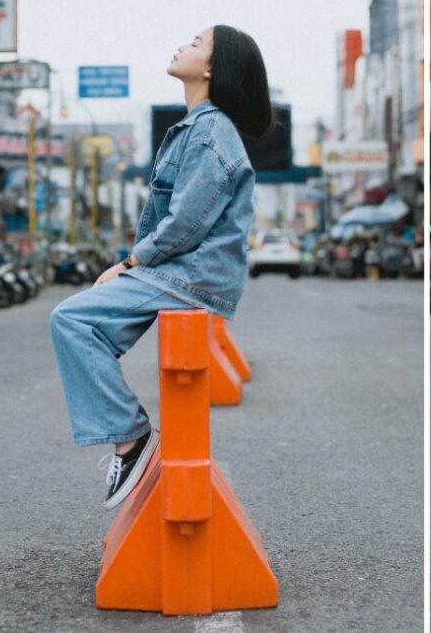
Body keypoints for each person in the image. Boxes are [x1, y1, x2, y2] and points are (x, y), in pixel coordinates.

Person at [50, 25, 274, 510]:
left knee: (71, 318)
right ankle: (128, 435)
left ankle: (130, 439)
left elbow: (186, 222)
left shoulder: (211, 130)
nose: (182, 45)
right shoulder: (197, 126)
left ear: (213, 68)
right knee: (88, 327)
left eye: (196, 43)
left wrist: (128, 264)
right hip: (184, 273)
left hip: (190, 275)